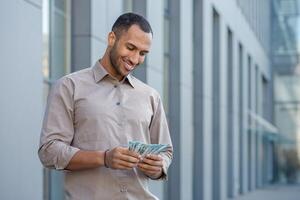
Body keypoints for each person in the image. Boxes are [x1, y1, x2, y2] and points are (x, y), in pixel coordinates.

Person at [38, 12, 173, 200]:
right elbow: (49, 151)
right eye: (130, 47)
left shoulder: (151, 96)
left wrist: (159, 167)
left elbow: (166, 150)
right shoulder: (69, 87)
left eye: (142, 53)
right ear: (112, 38)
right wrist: (104, 158)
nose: (135, 59)